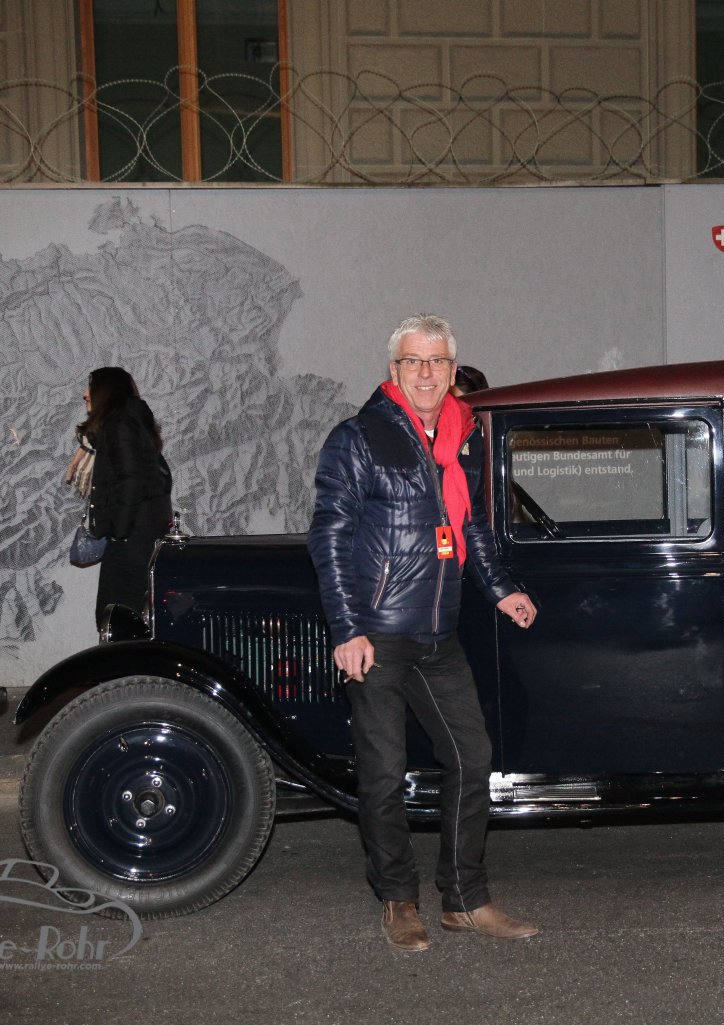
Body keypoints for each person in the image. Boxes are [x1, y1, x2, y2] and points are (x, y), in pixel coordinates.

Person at [308, 314, 539, 952]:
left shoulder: (464, 437)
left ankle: (464, 900)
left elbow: (473, 526)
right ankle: (399, 901)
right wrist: (347, 629)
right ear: (395, 370)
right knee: (384, 774)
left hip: (439, 633)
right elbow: (329, 537)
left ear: (453, 371)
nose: (427, 373)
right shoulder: (358, 438)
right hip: (377, 635)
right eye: (414, 361)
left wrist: (502, 589)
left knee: (472, 758)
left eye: (438, 361)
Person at [82, 366, 173, 630]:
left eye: (91, 387)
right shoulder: (130, 421)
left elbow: (131, 480)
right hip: (140, 533)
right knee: (125, 612)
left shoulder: (120, 424)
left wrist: (119, 531)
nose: (85, 393)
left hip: (133, 537)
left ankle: (126, 658)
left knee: (117, 614)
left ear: (105, 391)